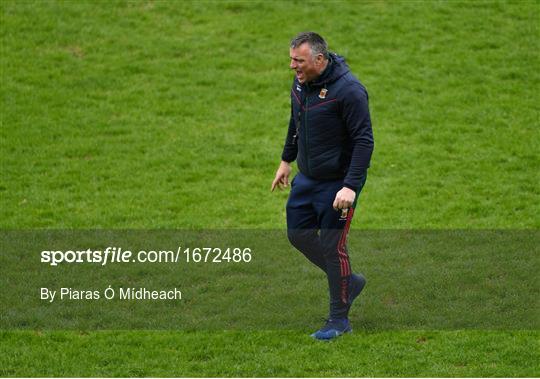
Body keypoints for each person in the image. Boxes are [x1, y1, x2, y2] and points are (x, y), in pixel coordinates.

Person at [271, 32, 374, 340]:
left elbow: (364, 141)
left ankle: (339, 320)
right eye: (291, 59)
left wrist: (350, 186)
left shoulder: (350, 91)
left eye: (298, 60)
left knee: (332, 247)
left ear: (319, 59)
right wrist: (286, 160)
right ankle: (348, 282)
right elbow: (296, 119)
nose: (292, 66)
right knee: (298, 235)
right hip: (307, 179)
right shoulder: (302, 83)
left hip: (338, 186)